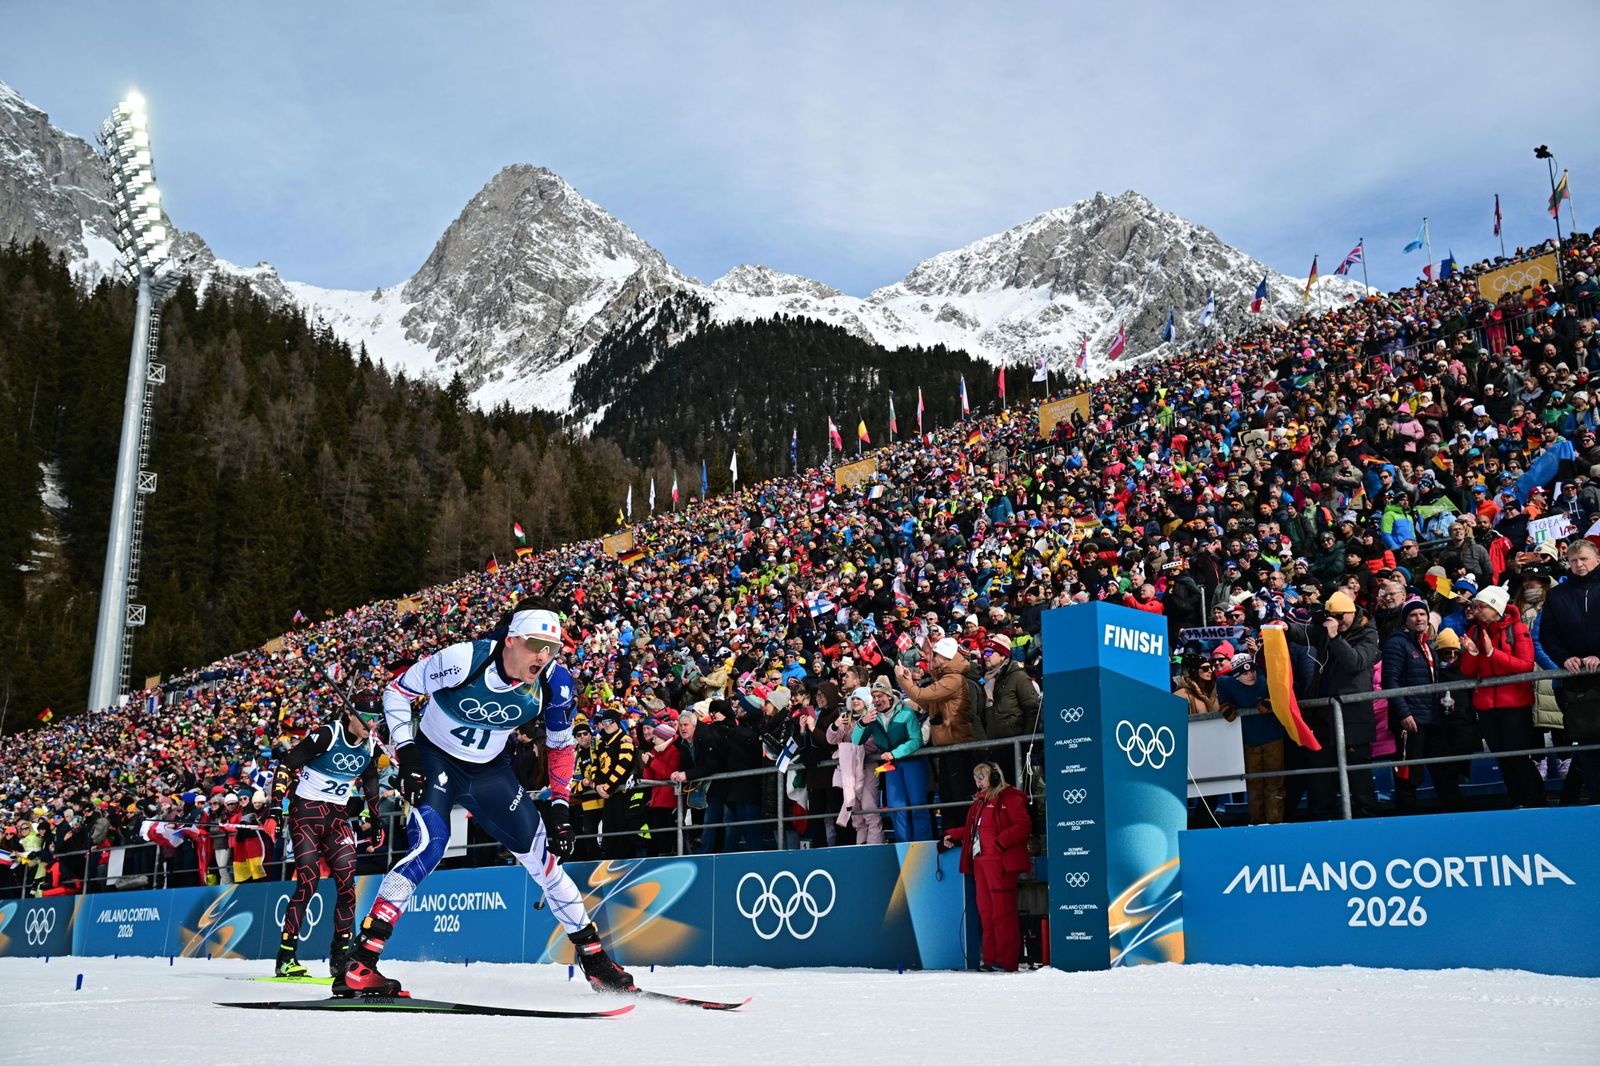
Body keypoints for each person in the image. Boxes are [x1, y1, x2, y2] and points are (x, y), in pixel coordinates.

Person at [340, 609, 632, 997]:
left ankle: (595, 961)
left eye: (553, 649)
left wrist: (560, 806)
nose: (543, 657)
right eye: (536, 646)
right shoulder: (464, 659)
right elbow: (397, 690)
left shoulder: (556, 684)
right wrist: (407, 751)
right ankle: (362, 961)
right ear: (511, 640)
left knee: (544, 858)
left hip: (490, 772)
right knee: (429, 847)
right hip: (435, 760)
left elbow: (561, 748)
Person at [270, 688, 384, 979]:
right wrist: (273, 810)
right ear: (349, 713)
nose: (371, 724)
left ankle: (340, 957)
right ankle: (286, 957)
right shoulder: (327, 735)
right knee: (307, 881)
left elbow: (371, 783)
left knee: (347, 884)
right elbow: (287, 765)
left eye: (376, 718)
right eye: (366, 717)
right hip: (305, 814)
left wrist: (377, 822)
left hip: (336, 818)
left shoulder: (371, 746)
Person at [1284, 589, 1381, 819]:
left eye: (1340, 617)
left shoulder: (1368, 632)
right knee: (1321, 779)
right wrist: (1288, 628)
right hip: (1323, 718)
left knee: (1359, 780)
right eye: (1332, 617)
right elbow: (1308, 632)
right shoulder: (1327, 628)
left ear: (1352, 612)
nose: (1336, 622)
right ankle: (1322, 825)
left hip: (1353, 719)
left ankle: (1367, 826)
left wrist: (1336, 638)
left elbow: (1355, 663)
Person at [1459, 586, 1544, 808]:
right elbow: (1468, 672)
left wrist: (1491, 654)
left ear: (1495, 607)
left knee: (1517, 757)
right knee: (1503, 758)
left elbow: (1526, 666)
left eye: (1481, 606)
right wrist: (1472, 653)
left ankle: (1537, 801)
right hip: (1487, 707)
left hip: (1515, 705)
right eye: (1475, 606)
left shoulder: (1516, 629)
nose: (1476, 610)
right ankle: (1517, 802)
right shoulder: (1474, 632)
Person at [941, 761, 1031, 972]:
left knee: (1003, 913)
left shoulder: (1010, 797)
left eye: (981, 776)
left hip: (1000, 865)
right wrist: (951, 835)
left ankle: (1006, 961)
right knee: (986, 913)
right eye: (976, 777)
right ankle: (990, 959)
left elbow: (1023, 825)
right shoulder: (979, 802)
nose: (977, 781)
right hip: (980, 864)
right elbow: (971, 829)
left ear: (995, 777)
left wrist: (1001, 842)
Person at [1381, 598, 1465, 812]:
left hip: (1432, 718)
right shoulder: (1396, 643)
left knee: (1445, 769)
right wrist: (1403, 713)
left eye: (1422, 614)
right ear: (1405, 620)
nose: (1419, 618)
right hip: (1410, 721)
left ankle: (1456, 816)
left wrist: (1443, 697)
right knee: (1409, 774)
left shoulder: (1428, 645)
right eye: (1413, 615)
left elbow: (1433, 680)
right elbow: (1390, 681)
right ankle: (1407, 820)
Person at [895, 637, 976, 834]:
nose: (932, 659)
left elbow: (922, 696)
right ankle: (951, 836)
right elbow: (927, 703)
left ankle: (963, 836)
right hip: (947, 744)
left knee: (958, 796)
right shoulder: (944, 678)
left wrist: (903, 681)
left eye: (936, 655)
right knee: (949, 796)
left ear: (946, 658)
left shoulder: (953, 679)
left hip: (957, 743)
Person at [1540, 538, 1600, 802]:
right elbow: (1548, 636)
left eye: (1584, 558)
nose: (1579, 564)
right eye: (1574, 560)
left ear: (1597, 559)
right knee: (1589, 751)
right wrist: (1565, 658)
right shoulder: (1556, 595)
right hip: (1579, 688)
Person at [857, 677, 929, 841]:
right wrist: (862, 723)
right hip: (892, 766)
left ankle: (924, 847)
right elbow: (857, 740)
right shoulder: (873, 715)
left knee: (918, 806)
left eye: (879, 695)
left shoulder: (905, 710)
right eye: (873, 696)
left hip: (912, 761)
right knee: (897, 809)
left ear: (889, 696)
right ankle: (903, 849)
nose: (876, 700)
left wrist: (895, 753)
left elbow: (916, 740)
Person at [592, 707, 638, 859]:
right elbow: (595, 766)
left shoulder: (625, 740)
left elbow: (623, 766)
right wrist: (597, 785)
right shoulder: (600, 743)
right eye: (603, 722)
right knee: (609, 833)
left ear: (617, 722)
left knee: (623, 834)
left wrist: (607, 786)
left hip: (621, 793)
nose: (606, 725)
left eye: (609, 721)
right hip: (607, 795)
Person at [980, 636, 1040, 739]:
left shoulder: (1018, 676)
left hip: (1015, 742)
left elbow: (1032, 708)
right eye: (984, 653)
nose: (985, 656)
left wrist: (1025, 740)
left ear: (1002, 656)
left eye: (989, 653)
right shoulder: (986, 680)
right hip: (994, 743)